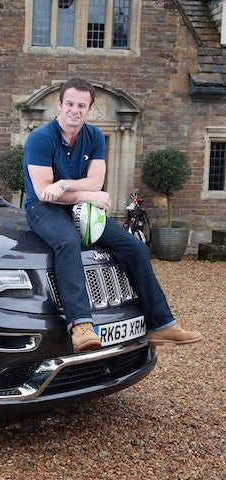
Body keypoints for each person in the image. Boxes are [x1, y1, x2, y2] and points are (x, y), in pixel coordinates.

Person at [23, 77, 203, 353]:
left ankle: (161, 324)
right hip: (41, 209)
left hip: (77, 206)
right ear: (59, 104)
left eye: (81, 105)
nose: (75, 109)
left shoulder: (94, 136)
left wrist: (67, 184)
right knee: (68, 242)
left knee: (134, 246)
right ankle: (81, 325)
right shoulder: (40, 138)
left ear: (90, 109)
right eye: (69, 103)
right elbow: (45, 191)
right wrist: (88, 195)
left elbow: (96, 182)